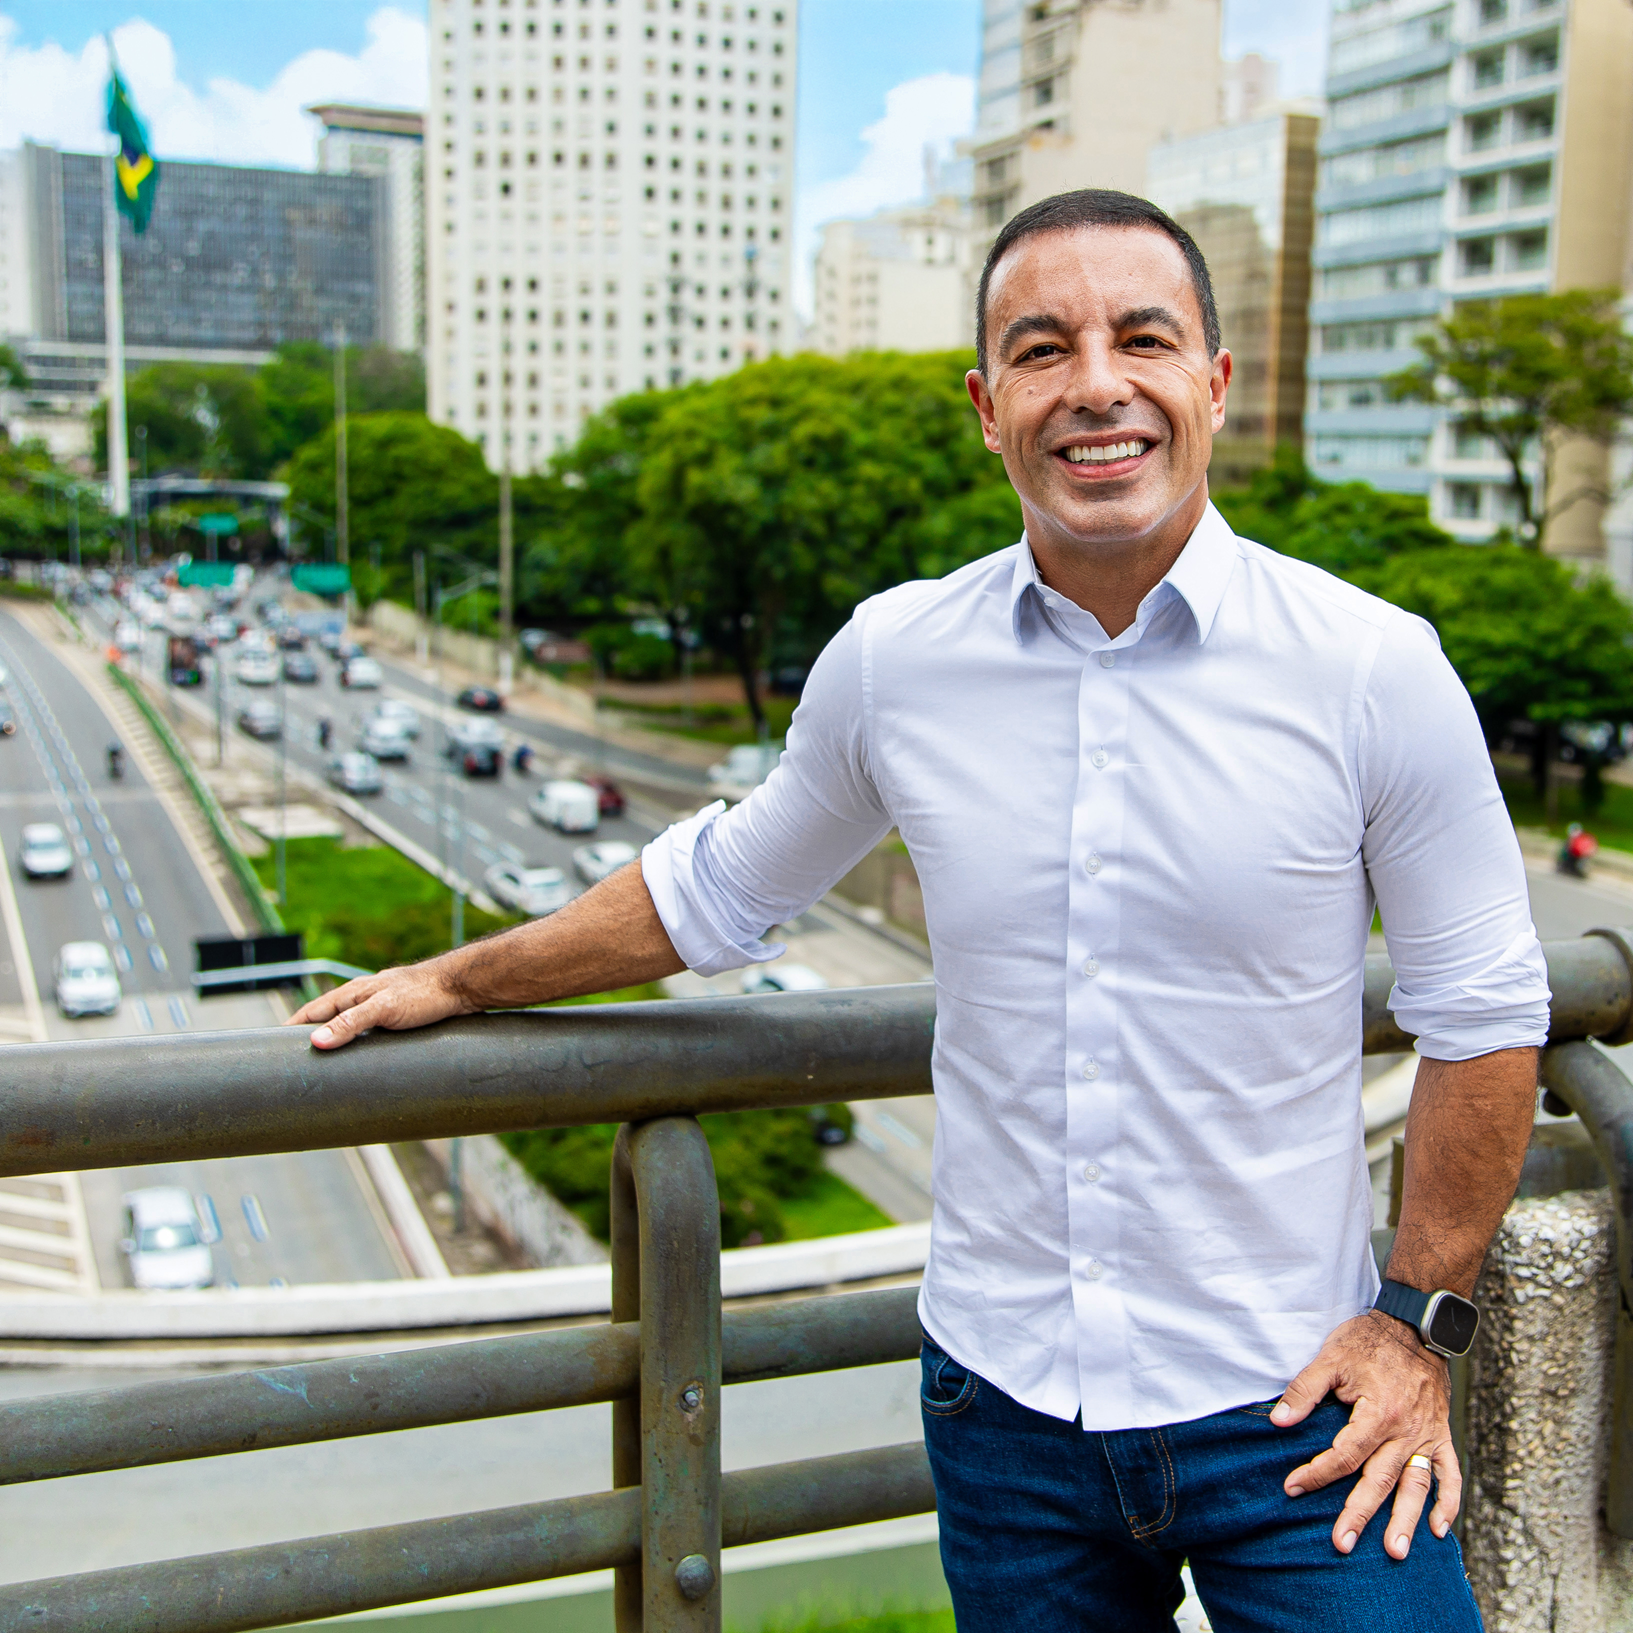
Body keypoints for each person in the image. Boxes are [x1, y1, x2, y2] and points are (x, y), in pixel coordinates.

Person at [290, 190, 1548, 1630]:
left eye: (1143, 338)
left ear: (1213, 381)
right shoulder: (897, 658)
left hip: (1306, 1402)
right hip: (1004, 1411)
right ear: (984, 405)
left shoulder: (1374, 668)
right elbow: (718, 888)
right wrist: (461, 981)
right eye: (1041, 348)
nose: (1096, 385)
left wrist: (1415, 1328)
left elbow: (1485, 1013)